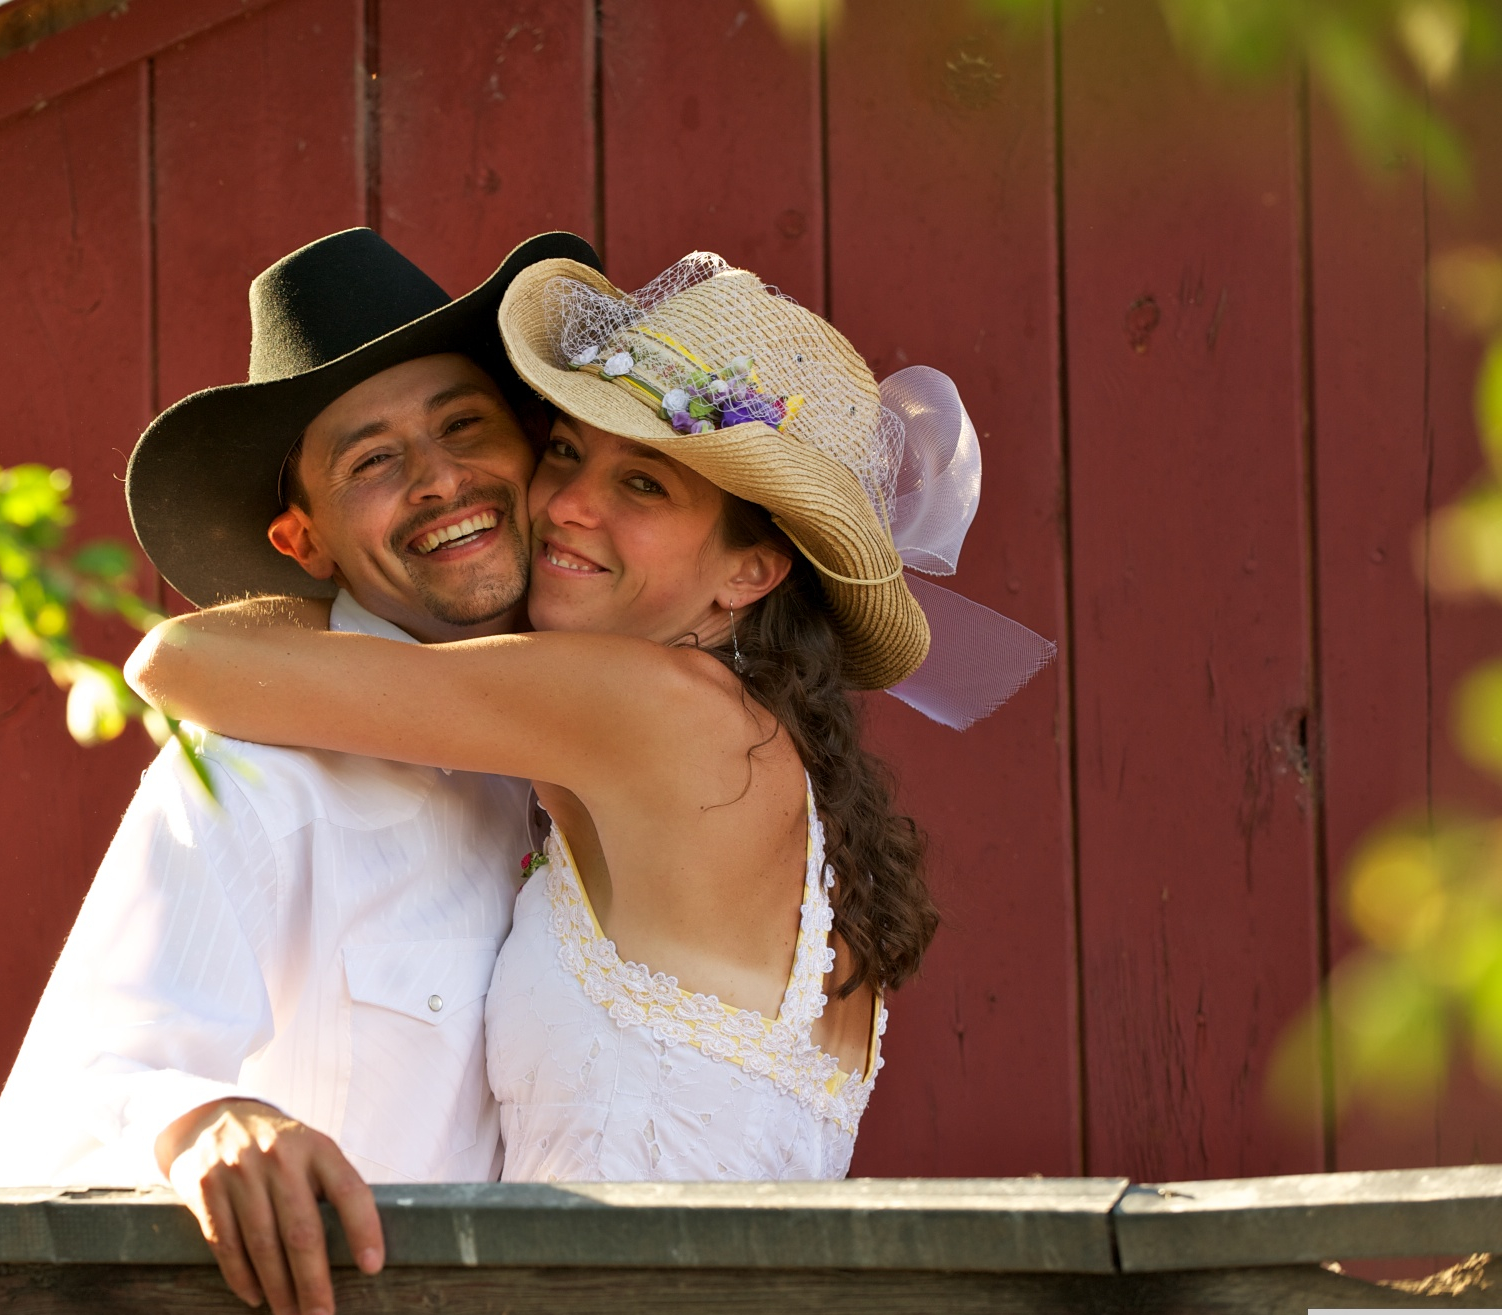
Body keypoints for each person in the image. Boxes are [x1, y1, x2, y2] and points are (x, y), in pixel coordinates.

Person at [127, 252, 1053, 1184]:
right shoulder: (747, 748)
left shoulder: (655, 713)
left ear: (751, 571)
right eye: (567, 450)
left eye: (643, 485)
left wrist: (336, 566)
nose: (567, 506)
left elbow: (174, 659)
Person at [0, 226, 602, 1315]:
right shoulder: (252, 775)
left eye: (465, 425)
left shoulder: (617, 745)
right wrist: (206, 1123)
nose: (441, 480)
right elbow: (64, 1104)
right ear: (303, 540)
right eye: (371, 461)